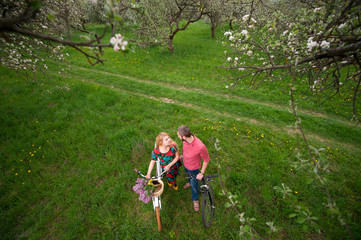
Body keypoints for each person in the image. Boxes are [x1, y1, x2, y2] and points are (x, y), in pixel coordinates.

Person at [177, 125, 210, 212]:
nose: (177, 137)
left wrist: (201, 173)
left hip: (194, 168)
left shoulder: (200, 146)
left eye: (178, 135)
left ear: (183, 137)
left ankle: (195, 200)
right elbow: (184, 148)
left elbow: (206, 159)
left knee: (195, 185)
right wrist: (182, 155)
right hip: (186, 164)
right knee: (188, 176)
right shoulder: (185, 140)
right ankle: (189, 182)